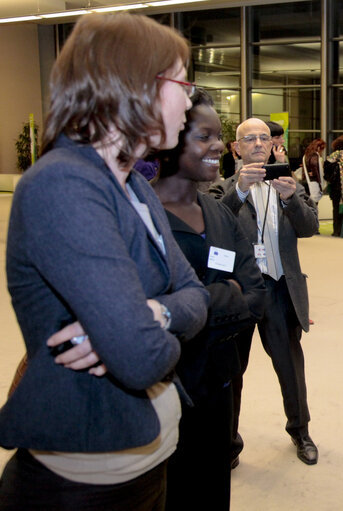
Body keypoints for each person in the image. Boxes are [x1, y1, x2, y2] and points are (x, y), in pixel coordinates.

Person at [0, 13, 209, 511]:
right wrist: (142, 328)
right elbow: (141, 360)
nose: (191, 99)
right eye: (182, 82)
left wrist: (152, 314)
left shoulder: (134, 184)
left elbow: (197, 296)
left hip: (146, 461)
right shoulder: (64, 183)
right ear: (135, 85)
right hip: (84, 482)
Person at [152, 90, 267, 508]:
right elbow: (150, 310)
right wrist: (226, 295)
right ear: (169, 142)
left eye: (219, 136)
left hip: (220, 384)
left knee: (214, 490)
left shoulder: (219, 212)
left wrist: (196, 299)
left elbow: (256, 295)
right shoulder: (141, 217)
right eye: (205, 136)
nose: (219, 146)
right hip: (166, 390)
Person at [209, 117, 320, 465]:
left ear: (273, 144)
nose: (259, 143)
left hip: (279, 288)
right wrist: (239, 191)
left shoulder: (289, 183)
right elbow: (213, 228)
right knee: (231, 371)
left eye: (265, 138)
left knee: (290, 367)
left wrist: (292, 200)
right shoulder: (220, 186)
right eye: (249, 138)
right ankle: (227, 441)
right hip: (237, 291)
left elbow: (309, 228)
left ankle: (300, 432)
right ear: (236, 148)